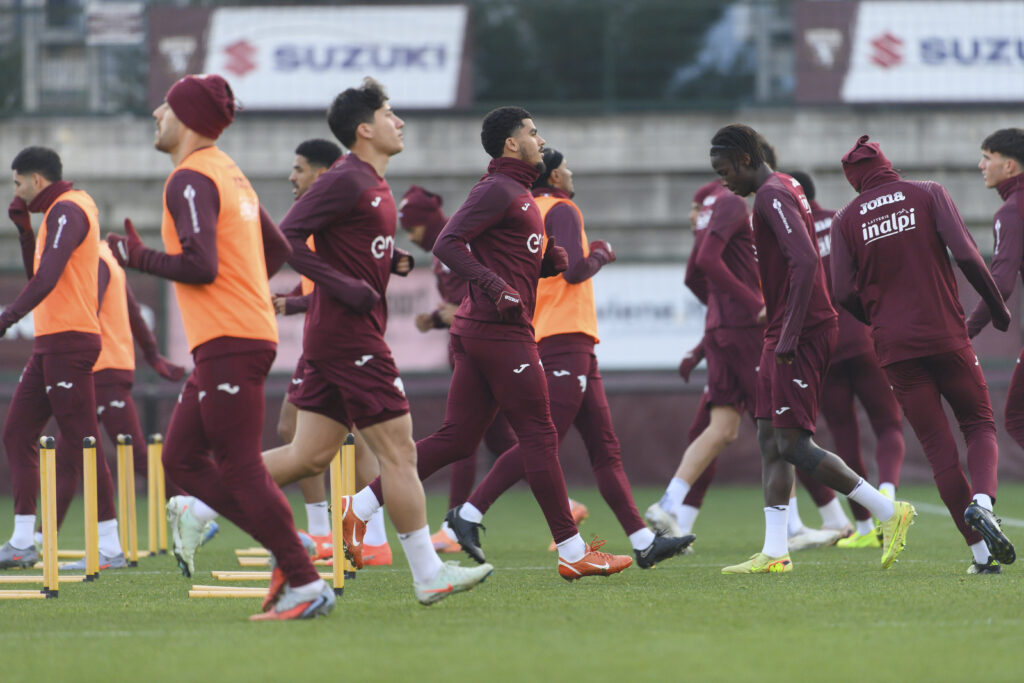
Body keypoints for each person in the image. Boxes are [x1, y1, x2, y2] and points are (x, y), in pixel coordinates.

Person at [345, 107, 633, 580]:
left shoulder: (518, 193)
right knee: (540, 436)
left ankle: (359, 505)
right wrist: (496, 287)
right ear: (511, 144)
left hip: (481, 332)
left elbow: (503, 252)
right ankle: (573, 550)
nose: (542, 140)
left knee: (458, 439)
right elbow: (447, 243)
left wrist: (546, 262)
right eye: (533, 133)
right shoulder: (497, 188)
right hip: (499, 332)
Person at [106, 73, 333, 620]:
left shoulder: (189, 177)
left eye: (164, 106)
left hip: (232, 341)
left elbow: (201, 266)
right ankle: (289, 547)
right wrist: (246, 293)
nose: (157, 114)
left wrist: (135, 257)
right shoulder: (230, 173)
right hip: (233, 338)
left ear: (185, 118)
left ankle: (303, 581)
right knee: (182, 458)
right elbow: (275, 251)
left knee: (237, 466)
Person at [258, 77, 493, 605]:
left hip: (337, 339)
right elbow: (286, 236)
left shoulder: (374, 183)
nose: (400, 121)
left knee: (310, 455)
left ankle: (201, 500)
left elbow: (355, 248)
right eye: (390, 114)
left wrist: (390, 261)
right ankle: (429, 574)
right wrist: (342, 285)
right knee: (400, 453)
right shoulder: (346, 179)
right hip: (349, 339)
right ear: (365, 129)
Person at [446, 147, 693, 567]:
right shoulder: (561, 208)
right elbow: (574, 270)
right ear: (555, 175)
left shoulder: (525, 206)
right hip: (564, 335)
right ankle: (468, 514)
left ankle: (643, 541)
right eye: (567, 168)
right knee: (542, 440)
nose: (572, 173)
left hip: (562, 335)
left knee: (604, 447)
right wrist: (602, 251)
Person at [708, 124, 915, 575]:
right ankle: (775, 551)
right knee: (769, 439)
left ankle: (887, 512)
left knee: (794, 444)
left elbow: (803, 261)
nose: (724, 182)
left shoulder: (771, 194)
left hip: (799, 331)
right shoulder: (784, 188)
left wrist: (788, 333)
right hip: (785, 329)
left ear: (745, 160)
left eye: (725, 171)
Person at [833, 134, 1017, 574]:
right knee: (978, 424)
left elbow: (841, 291)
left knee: (938, 450)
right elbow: (969, 256)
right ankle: (982, 502)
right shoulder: (928, 192)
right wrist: (997, 308)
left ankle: (979, 556)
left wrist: (878, 316)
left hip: (895, 349)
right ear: (887, 164)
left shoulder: (846, 219)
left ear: (854, 179)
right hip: (946, 335)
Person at [649, 178, 845, 552]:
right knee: (782, 425)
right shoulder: (735, 204)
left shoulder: (716, 212)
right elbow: (706, 264)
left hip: (720, 331)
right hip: (746, 331)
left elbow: (695, 274)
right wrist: (752, 302)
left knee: (721, 428)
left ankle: (670, 506)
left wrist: (712, 328)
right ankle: (798, 526)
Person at [398, 185, 547, 553]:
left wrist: (457, 310)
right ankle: (565, 516)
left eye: (412, 228)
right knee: (501, 440)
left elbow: (480, 283)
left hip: (490, 341)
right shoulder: (444, 250)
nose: (411, 237)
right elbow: (461, 298)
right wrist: (436, 318)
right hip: (475, 341)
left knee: (475, 439)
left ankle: (452, 523)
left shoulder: (458, 238)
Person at [0, 147, 125, 570]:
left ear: (37, 179)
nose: (15, 192)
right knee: (18, 432)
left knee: (83, 441)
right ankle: (22, 541)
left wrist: (7, 316)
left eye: (17, 183)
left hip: (70, 341)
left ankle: (109, 546)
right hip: (52, 341)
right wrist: (22, 231)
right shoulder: (56, 212)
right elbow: (42, 276)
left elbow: (49, 278)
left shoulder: (68, 209)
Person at [270, 138, 392, 566]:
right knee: (304, 437)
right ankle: (338, 532)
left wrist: (301, 302)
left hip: (341, 339)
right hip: (326, 336)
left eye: (299, 168)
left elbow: (345, 281)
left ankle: (363, 536)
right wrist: (296, 300)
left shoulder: (338, 203)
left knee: (370, 441)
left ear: (321, 174)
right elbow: (329, 279)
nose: (292, 177)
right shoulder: (324, 212)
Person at [788, 169, 906, 550]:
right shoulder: (842, 220)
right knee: (888, 424)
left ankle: (866, 526)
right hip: (864, 337)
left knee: (843, 434)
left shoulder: (789, 235)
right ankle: (887, 497)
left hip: (823, 347)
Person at [57, 240, 191, 570]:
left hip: (101, 368)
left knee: (121, 454)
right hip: (107, 367)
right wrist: (154, 357)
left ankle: (191, 509)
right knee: (70, 452)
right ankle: (38, 539)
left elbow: (89, 308)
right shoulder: (107, 258)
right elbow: (134, 315)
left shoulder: (97, 260)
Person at [966, 129, 1024, 457]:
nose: (980, 165)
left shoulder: (1012, 211)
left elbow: (1000, 284)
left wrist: (965, 331)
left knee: (1017, 416)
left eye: (988, 158)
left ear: (1010, 166)